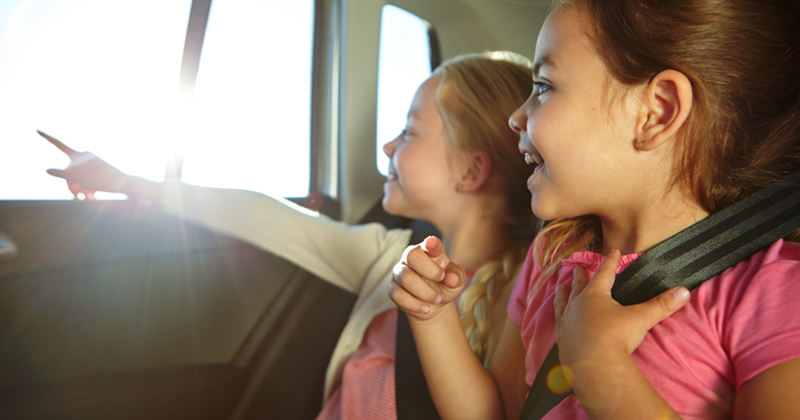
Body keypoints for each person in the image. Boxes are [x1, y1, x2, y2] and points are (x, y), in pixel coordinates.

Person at [42, 52, 535, 419]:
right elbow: (259, 215)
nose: (387, 144)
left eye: (409, 132)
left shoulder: (520, 298)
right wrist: (129, 183)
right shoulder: (386, 254)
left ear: (471, 172)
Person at [389, 1, 800, 419]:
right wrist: (433, 315)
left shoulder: (773, 293)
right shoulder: (553, 253)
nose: (516, 117)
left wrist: (601, 364)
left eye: (544, 86)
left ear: (657, 112)